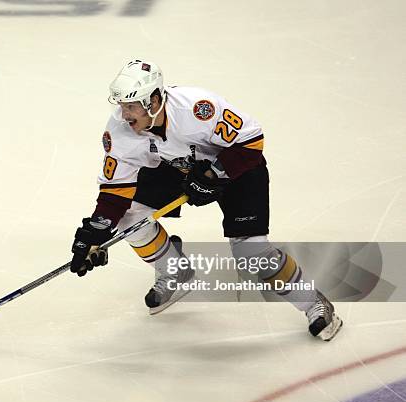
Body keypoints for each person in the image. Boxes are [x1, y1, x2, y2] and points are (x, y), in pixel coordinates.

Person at [69, 59, 343, 341]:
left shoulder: (196, 108)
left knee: (252, 255)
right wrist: (96, 233)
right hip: (179, 168)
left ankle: (315, 303)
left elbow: (251, 142)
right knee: (130, 220)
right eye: (122, 106)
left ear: (153, 101)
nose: (124, 114)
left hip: (238, 169)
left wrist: (214, 175)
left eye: (131, 106)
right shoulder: (119, 130)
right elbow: (116, 191)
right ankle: (174, 271)